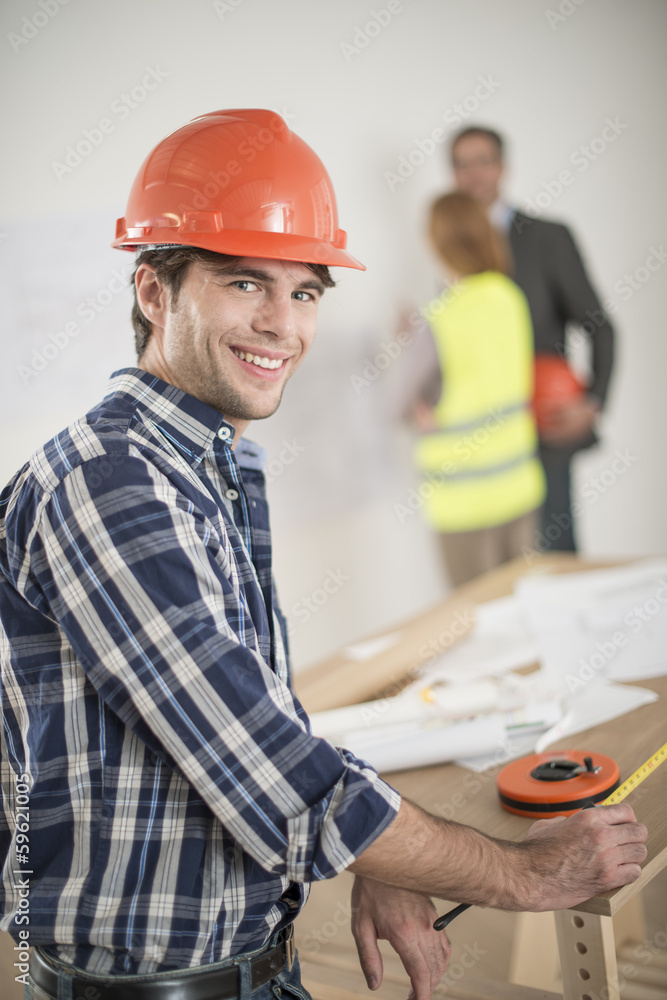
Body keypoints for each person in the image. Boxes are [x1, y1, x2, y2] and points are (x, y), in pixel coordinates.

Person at [0, 110, 646, 1000]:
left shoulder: (210, 463)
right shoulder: (111, 485)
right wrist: (521, 874)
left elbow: (261, 721)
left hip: (252, 960)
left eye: (304, 291)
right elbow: (267, 767)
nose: (281, 325)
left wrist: (379, 847)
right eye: (243, 284)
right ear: (153, 291)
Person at [450, 126, 615, 552]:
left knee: (555, 553)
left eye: (482, 161)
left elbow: (600, 326)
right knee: (502, 565)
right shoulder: (453, 255)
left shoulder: (547, 237)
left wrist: (592, 401)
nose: (473, 175)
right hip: (486, 438)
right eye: (461, 165)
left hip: (544, 425)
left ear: (502, 167)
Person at [409, 191, 546, 586]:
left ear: (439, 243)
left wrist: (406, 348)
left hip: (463, 505)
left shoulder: (439, 318)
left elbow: (394, 406)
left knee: (480, 628)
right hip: (519, 487)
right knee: (526, 610)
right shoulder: (509, 296)